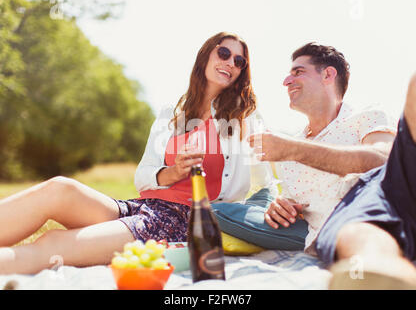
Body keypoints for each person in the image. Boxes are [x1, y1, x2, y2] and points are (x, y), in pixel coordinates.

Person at [0, 32, 270, 275]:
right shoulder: (172, 115)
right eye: (224, 53)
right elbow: (142, 176)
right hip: (144, 208)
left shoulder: (244, 118)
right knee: (59, 189)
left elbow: (265, 185)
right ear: (206, 55)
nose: (231, 63)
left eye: (239, 61)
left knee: (55, 244)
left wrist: (263, 219)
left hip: (182, 222)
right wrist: (174, 172)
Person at [250, 43, 415, 288]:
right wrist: (281, 206)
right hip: (348, 222)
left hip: (396, 189)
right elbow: (298, 206)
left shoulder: (367, 116)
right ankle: (383, 273)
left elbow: (383, 160)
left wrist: (294, 150)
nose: (286, 81)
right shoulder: (289, 147)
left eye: (298, 72)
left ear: (328, 75)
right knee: (357, 236)